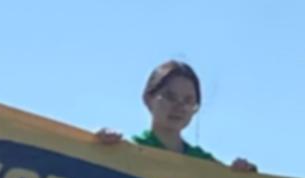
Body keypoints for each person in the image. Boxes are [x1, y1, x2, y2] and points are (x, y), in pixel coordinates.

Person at [93, 57, 257, 170]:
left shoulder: (204, 163)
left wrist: (246, 175)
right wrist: (96, 148)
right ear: (148, 98)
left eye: (188, 100)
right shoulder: (128, 151)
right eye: (170, 97)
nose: (179, 107)